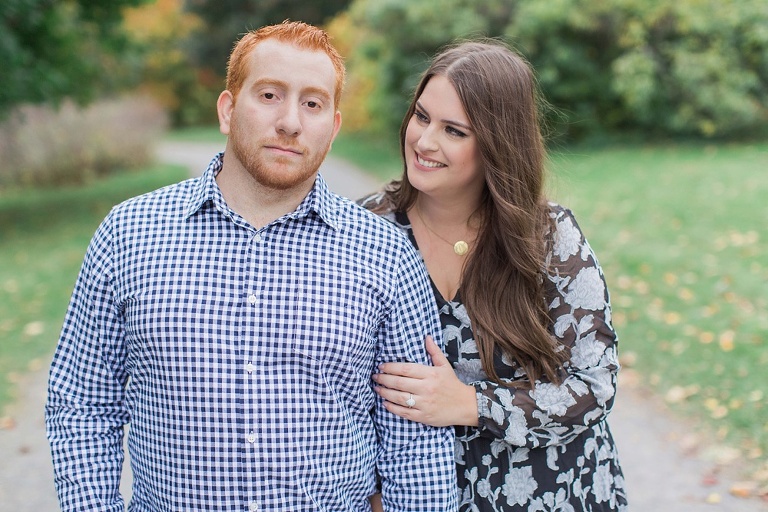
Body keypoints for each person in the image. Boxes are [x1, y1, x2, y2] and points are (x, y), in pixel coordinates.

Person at [45, 21, 458, 511]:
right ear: (227, 109)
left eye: (312, 103)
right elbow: (82, 402)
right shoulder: (130, 233)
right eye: (268, 95)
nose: (290, 122)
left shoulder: (385, 255)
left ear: (334, 125)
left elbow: (415, 440)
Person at [362, 40, 628, 511]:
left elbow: (595, 385)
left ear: (497, 145)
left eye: (454, 131)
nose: (424, 141)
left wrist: (470, 404)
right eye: (421, 117)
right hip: (423, 497)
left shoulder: (548, 238)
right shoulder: (366, 228)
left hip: (557, 491)